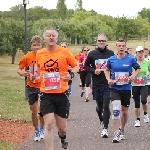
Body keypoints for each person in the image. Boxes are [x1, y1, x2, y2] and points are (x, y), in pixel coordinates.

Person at [36, 28, 78, 150]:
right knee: (48, 124)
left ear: (57, 38)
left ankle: (63, 137)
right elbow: (39, 70)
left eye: (53, 35)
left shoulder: (64, 52)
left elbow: (76, 66)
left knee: (62, 128)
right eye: (48, 35)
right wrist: (37, 77)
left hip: (61, 93)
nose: (51, 37)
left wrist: (70, 75)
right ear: (44, 39)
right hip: (46, 94)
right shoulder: (40, 54)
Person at [105, 39, 140, 143]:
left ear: (125, 47)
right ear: (116, 47)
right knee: (116, 110)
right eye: (119, 46)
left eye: (123, 46)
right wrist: (109, 79)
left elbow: (137, 68)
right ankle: (116, 133)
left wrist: (133, 75)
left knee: (124, 112)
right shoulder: (111, 59)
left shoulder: (131, 59)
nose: (121, 47)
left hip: (126, 88)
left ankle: (122, 129)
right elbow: (106, 70)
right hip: (115, 88)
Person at [84, 34, 114, 137]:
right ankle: (101, 119)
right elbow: (86, 66)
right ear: (97, 41)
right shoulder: (92, 54)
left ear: (106, 41)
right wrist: (93, 70)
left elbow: (114, 66)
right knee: (99, 107)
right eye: (99, 40)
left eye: (103, 41)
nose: (101, 42)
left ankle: (105, 129)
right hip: (97, 84)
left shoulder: (111, 54)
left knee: (106, 106)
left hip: (107, 84)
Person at [17, 35, 45, 141]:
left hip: (42, 86)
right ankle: (36, 130)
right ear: (31, 45)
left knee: (42, 109)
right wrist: (23, 73)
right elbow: (19, 69)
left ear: (41, 45)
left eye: (38, 45)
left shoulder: (44, 55)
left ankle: (42, 128)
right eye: (34, 45)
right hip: (31, 87)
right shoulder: (27, 57)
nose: (36, 47)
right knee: (33, 111)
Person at [132, 46, 150, 127]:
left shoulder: (147, 62)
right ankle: (137, 120)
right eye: (139, 52)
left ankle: (145, 114)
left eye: (142, 51)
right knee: (136, 103)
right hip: (135, 84)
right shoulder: (133, 62)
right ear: (136, 53)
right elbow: (129, 72)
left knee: (143, 100)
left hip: (144, 84)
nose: (141, 53)